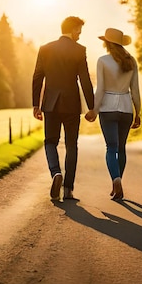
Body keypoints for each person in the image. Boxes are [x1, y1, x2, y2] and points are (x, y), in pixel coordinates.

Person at [32, 16, 95, 201]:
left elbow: (37, 77)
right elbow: (85, 79)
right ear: (73, 29)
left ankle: (55, 173)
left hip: (50, 103)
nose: (80, 35)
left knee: (50, 142)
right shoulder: (79, 50)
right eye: (79, 31)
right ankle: (68, 189)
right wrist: (92, 107)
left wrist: (36, 104)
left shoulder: (45, 49)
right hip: (71, 104)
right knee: (71, 145)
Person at [85, 28, 141, 200]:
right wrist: (138, 113)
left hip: (107, 109)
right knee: (122, 148)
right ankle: (118, 182)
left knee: (111, 147)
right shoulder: (131, 61)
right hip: (126, 109)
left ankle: (116, 181)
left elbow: (100, 89)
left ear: (107, 43)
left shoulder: (102, 61)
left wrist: (94, 109)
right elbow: (135, 91)